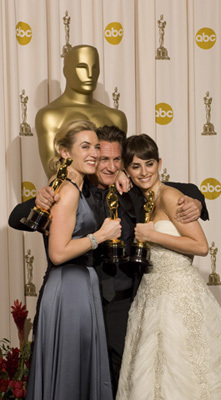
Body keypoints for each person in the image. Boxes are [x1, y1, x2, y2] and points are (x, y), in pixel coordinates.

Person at [9, 126, 209, 396]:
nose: (111, 166)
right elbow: (15, 218)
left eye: (118, 161)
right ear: (92, 159)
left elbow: (181, 189)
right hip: (83, 302)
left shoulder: (133, 191)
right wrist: (40, 199)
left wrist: (197, 201)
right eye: (104, 158)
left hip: (128, 306)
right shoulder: (76, 191)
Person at [116, 134, 221, 400]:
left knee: (186, 367)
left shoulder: (172, 196)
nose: (144, 172)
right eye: (135, 166)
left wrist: (153, 235)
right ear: (126, 170)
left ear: (159, 163)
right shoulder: (141, 200)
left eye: (149, 164)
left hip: (179, 294)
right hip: (151, 294)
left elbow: (200, 246)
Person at [25, 119, 123, 400]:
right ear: (65, 152)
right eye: (85, 146)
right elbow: (57, 253)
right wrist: (100, 236)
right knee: (70, 370)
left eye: (95, 146)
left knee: (78, 368)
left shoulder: (75, 188)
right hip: (69, 287)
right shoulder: (67, 191)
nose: (93, 152)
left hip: (79, 285)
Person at [35, 44, 127, 177]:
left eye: (94, 68)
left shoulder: (116, 117)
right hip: (70, 193)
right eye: (82, 67)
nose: (90, 74)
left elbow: (120, 168)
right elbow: (53, 171)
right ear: (66, 71)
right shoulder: (50, 116)